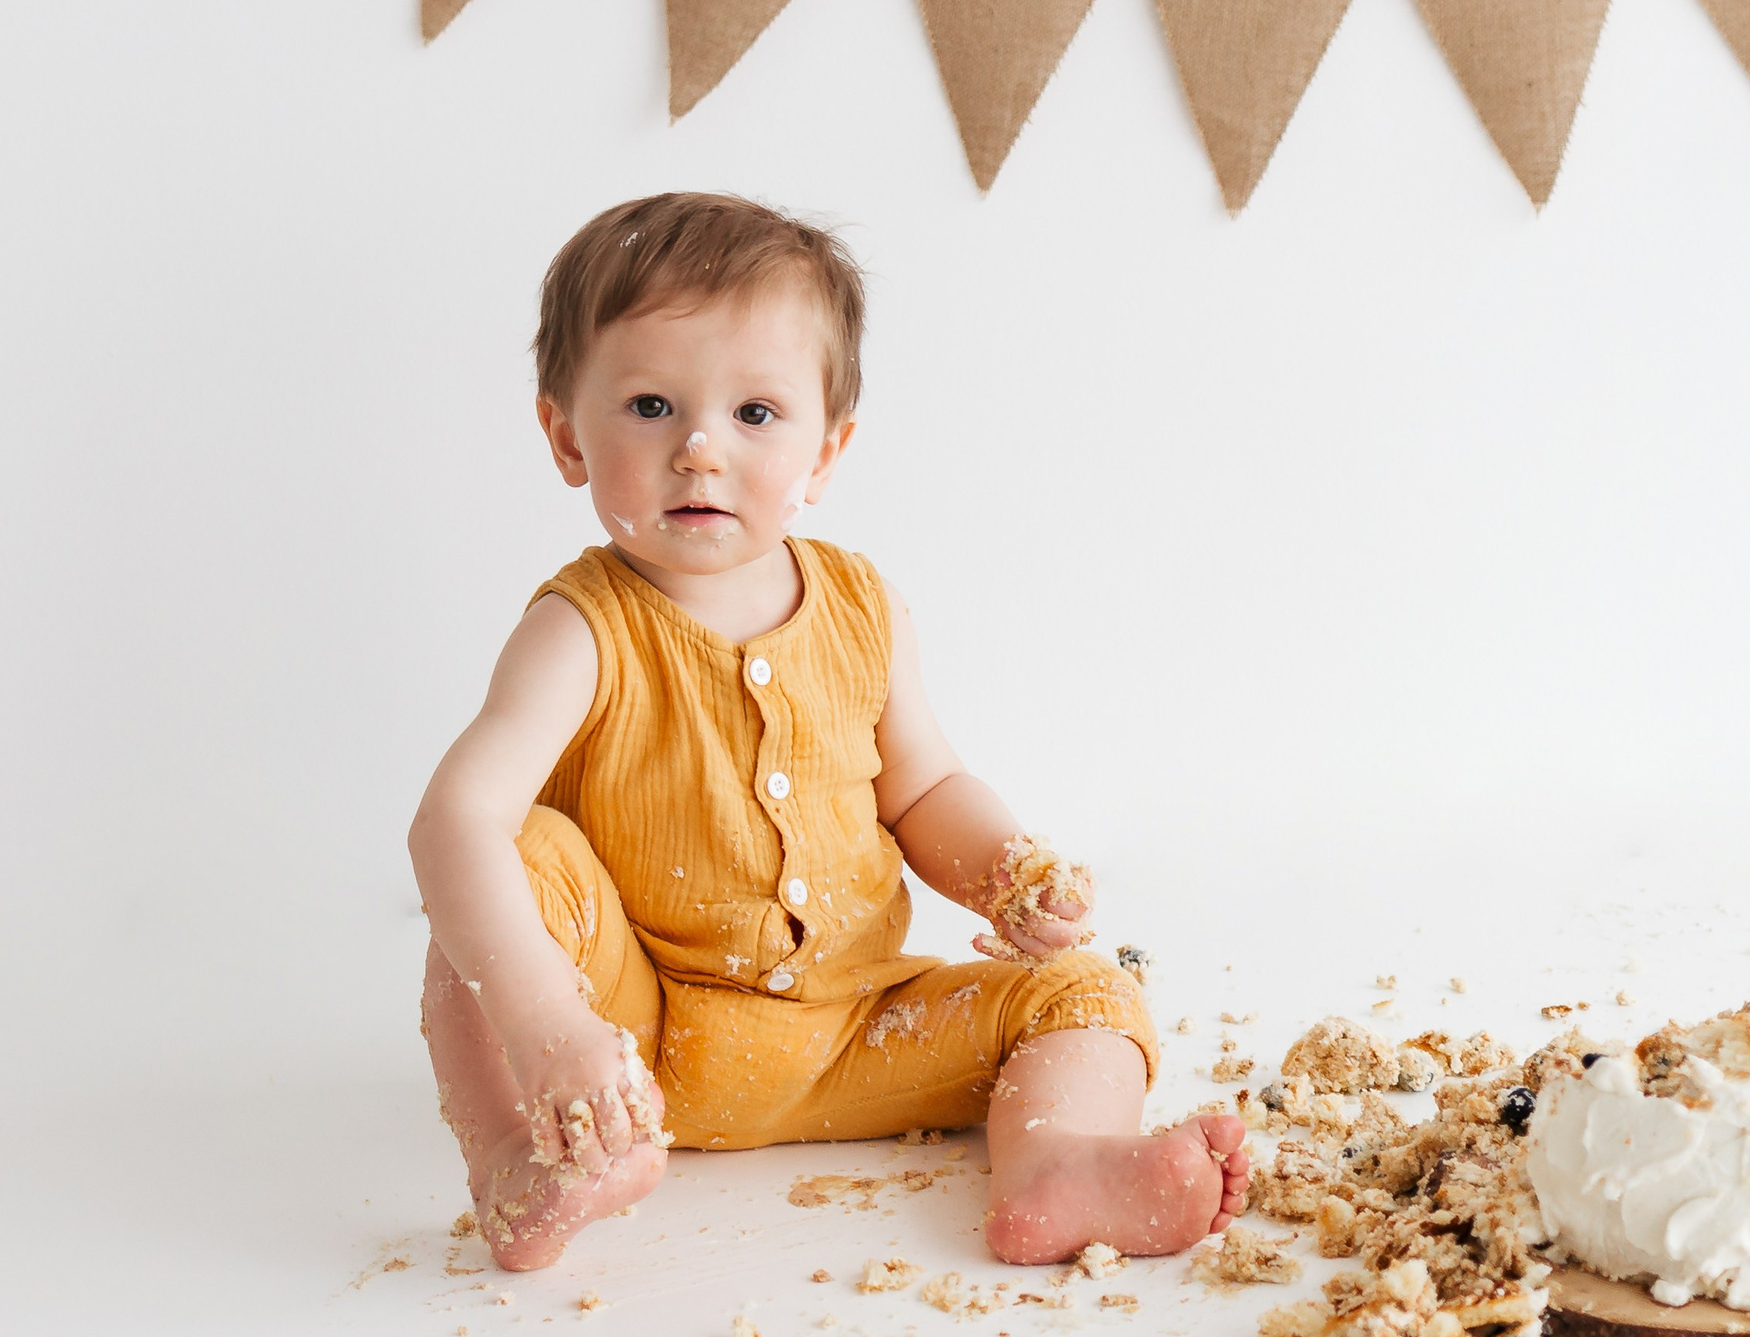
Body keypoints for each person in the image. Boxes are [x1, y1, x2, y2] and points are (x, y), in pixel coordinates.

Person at [408, 192, 1247, 1273]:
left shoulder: (860, 604)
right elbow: (451, 824)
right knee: (514, 854)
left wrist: (1005, 870)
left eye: (755, 414)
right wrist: (548, 1025)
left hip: (859, 1030)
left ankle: (1057, 1165)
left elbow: (924, 785)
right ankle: (520, 1162)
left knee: (1088, 990)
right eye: (652, 405)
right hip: (636, 1036)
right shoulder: (580, 632)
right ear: (567, 434)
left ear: (827, 449)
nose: (701, 450)